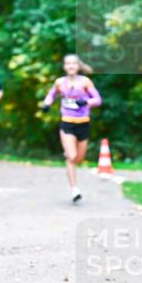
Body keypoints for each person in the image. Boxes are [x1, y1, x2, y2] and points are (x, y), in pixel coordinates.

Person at [39, 54, 102, 204]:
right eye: (68, 63)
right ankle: (74, 190)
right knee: (71, 156)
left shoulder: (85, 82)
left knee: (78, 158)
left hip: (83, 123)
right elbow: (51, 95)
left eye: (74, 63)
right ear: (64, 66)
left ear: (78, 66)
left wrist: (86, 102)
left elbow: (98, 100)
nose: (71, 66)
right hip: (67, 123)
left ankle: (69, 155)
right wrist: (46, 104)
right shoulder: (60, 82)